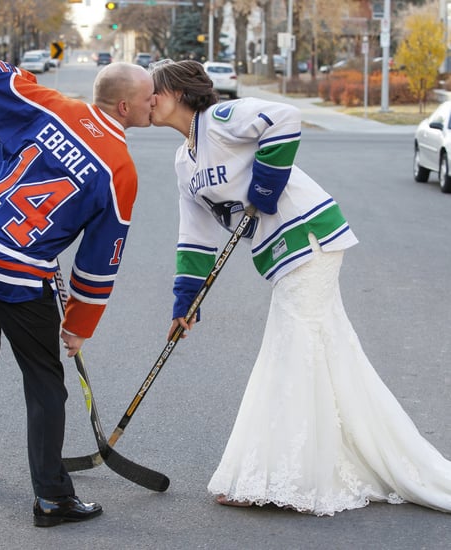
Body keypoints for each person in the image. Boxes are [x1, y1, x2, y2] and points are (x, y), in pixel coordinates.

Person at [149, 59, 451, 516]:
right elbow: (194, 235)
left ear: (180, 93)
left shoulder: (222, 120)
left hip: (309, 238)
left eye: (155, 91)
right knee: (328, 354)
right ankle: (356, 459)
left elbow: (285, 119)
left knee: (290, 348)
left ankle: (289, 477)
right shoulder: (183, 161)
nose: (149, 100)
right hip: (282, 252)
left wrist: (265, 190)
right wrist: (185, 302)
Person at [0, 59, 155, 527]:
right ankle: (53, 499)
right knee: (45, 386)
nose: (155, 102)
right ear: (124, 106)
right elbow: (100, 262)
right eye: (148, 97)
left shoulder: (54, 107)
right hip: (17, 274)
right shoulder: (120, 167)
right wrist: (79, 326)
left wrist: (25, 79)